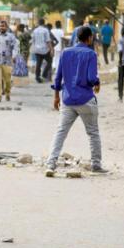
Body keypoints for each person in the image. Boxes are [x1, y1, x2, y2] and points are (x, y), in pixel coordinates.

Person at [45, 27, 108, 176]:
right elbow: (92, 78)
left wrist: (56, 96)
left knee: (61, 132)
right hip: (85, 99)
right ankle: (96, 165)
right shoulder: (91, 54)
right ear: (89, 38)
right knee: (93, 133)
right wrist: (97, 82)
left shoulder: (66, 53)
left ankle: (50, 164)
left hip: (67, 99)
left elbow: (58, 77)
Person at [0, 20, 18, 102]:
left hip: (7, 61)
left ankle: (7, 93)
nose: (1, 27)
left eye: (3, 26)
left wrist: (14, 56)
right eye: (0, 26)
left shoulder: (11, 36)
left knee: (7, 81)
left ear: (6, 27)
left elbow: (15, 47)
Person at [31, 18, 53, 83]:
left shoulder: (35, 30)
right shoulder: (45, 30)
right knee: (49, 62)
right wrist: (51, 49)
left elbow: (33, 40)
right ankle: (44, 75)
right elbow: (48, 41)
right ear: (44, 23)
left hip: (37, 50)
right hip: (44, 50)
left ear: (38, 23)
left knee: (38, 63)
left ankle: (37, 77)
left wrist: (33, 48)